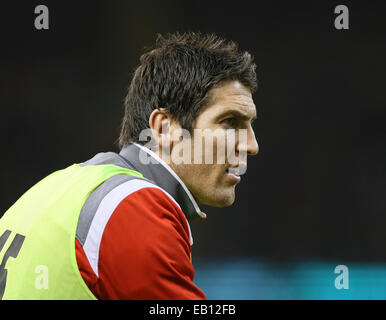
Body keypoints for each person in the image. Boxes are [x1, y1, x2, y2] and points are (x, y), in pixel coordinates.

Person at [0, 31, 259, 299]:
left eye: (250, 125)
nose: (251, 145)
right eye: (230, 122)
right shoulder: (134, 208)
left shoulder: (54, 188)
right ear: (165, 128)